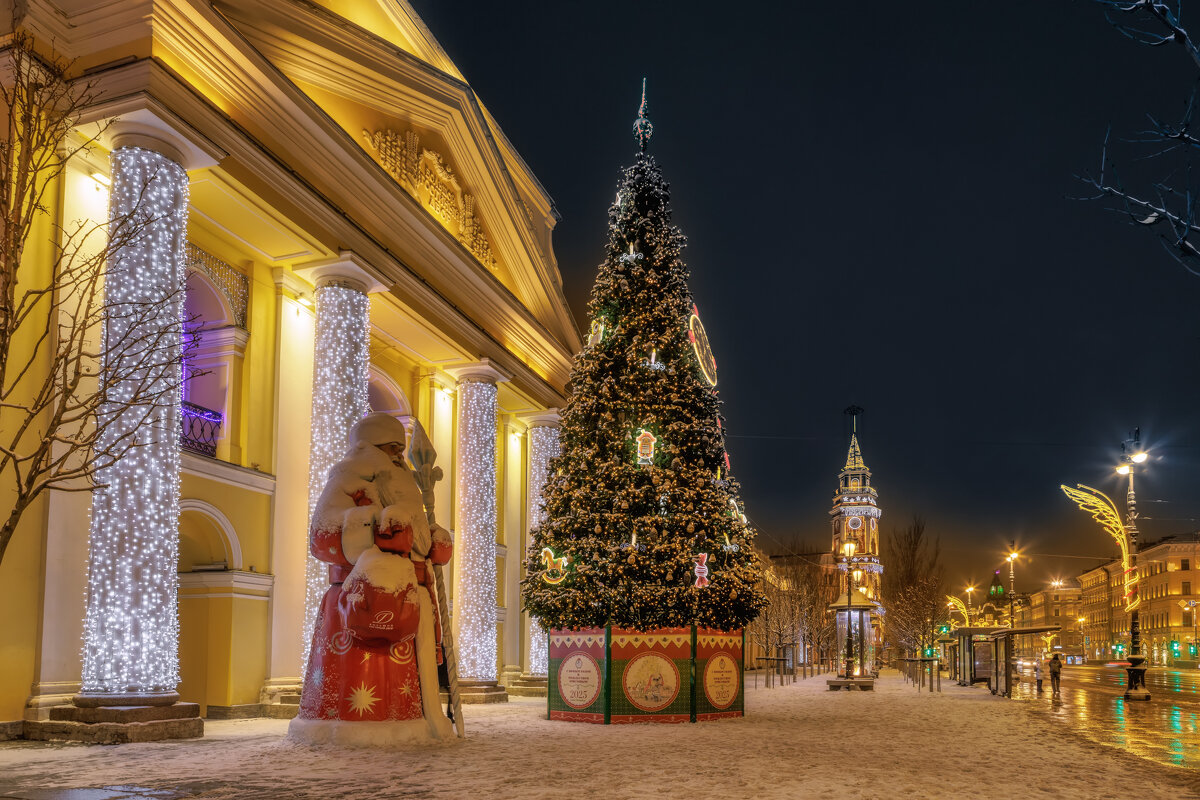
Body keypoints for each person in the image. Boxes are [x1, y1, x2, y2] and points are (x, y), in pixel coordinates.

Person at [289, 413, 454, 746]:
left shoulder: (406, 487)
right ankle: (360, 728)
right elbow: (322, 535)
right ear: (371, 446)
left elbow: (417, 542)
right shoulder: (349, 479)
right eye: (390, 448)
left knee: (408, 670)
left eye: (399, 449)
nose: (397, 456)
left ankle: (419, 719)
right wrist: (376, 525)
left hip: (411, 594)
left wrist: (431, 539)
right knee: (367, 671)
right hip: (363, 596)